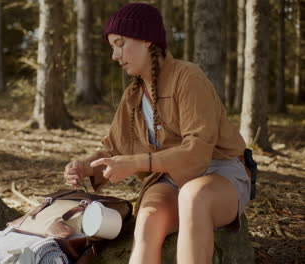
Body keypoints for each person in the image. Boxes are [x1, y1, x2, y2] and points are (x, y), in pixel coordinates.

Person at [63, 3, 252, 264]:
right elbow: (116, 150)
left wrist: (138, 163)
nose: (115, 56)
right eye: (112, 47)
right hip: (169, 178)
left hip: (219, 171)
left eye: (120, 44)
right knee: (148, 218)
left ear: (147, 40)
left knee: (193, 197)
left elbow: (198, 151)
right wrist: (85, 166)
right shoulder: (132, 95)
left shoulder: (188, 77)